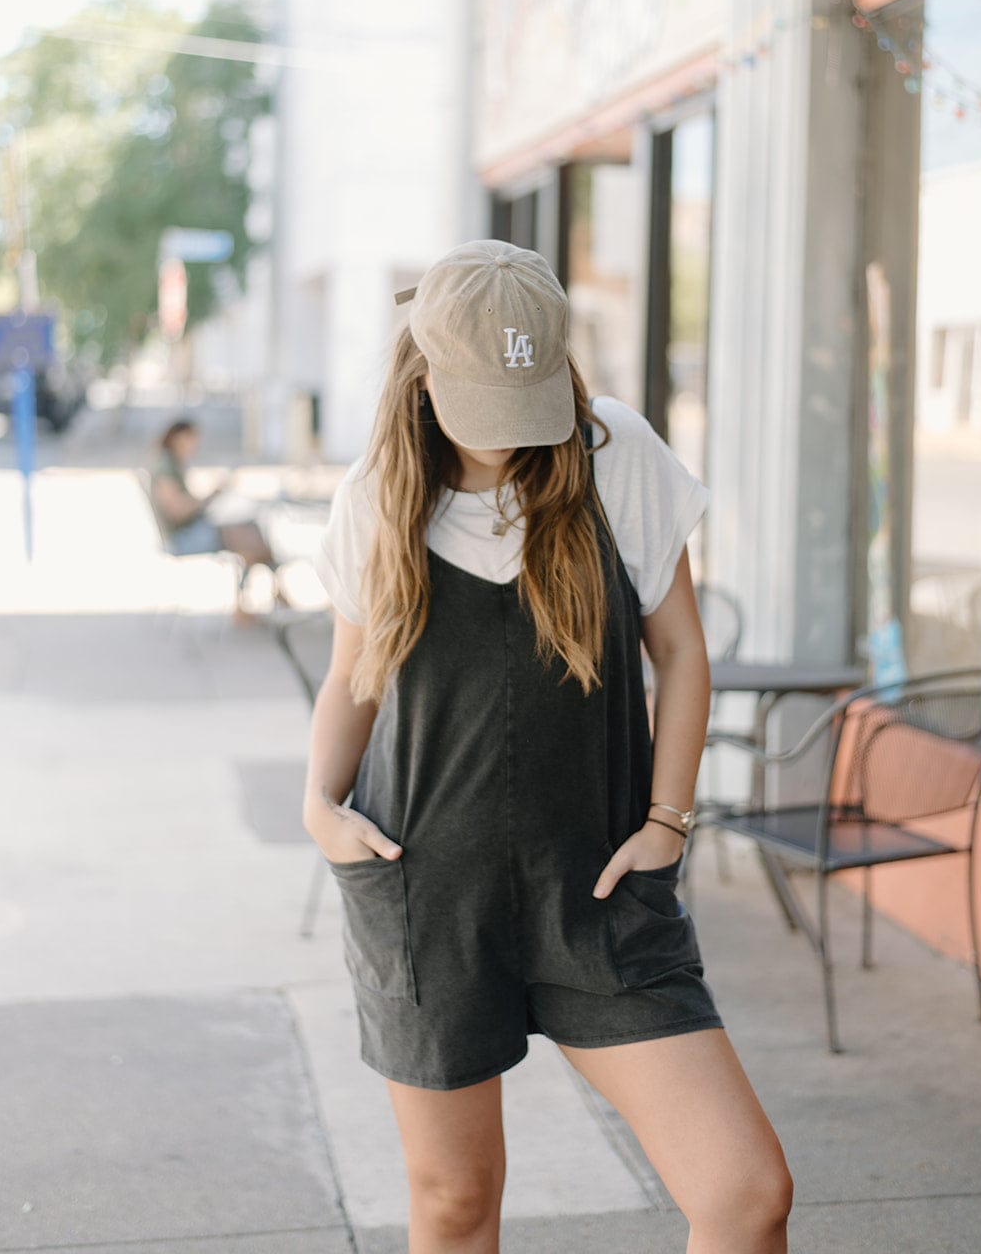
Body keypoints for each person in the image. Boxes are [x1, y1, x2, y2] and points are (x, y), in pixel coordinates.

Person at [303, 240, 793, 1254]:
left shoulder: (620, 455)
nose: (511, 439)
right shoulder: (379, 492)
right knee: (455, 1202)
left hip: (603, 894)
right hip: (428, 898)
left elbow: (682, 652)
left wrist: (668, 820)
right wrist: (321, 804)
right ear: (425, 373)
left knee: (747, 1192)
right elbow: (355, 675)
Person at [149, 419, 285, 623]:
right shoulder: (165, 467)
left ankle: (261, 595)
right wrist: (209, 496)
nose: (195, 445)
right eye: (191, 439)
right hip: (183, 537)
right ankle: (260, 598)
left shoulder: (173, 463)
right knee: (246, 537)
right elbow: (178, 510)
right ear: (178, 438)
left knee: (249, 533)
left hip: (192, 529)